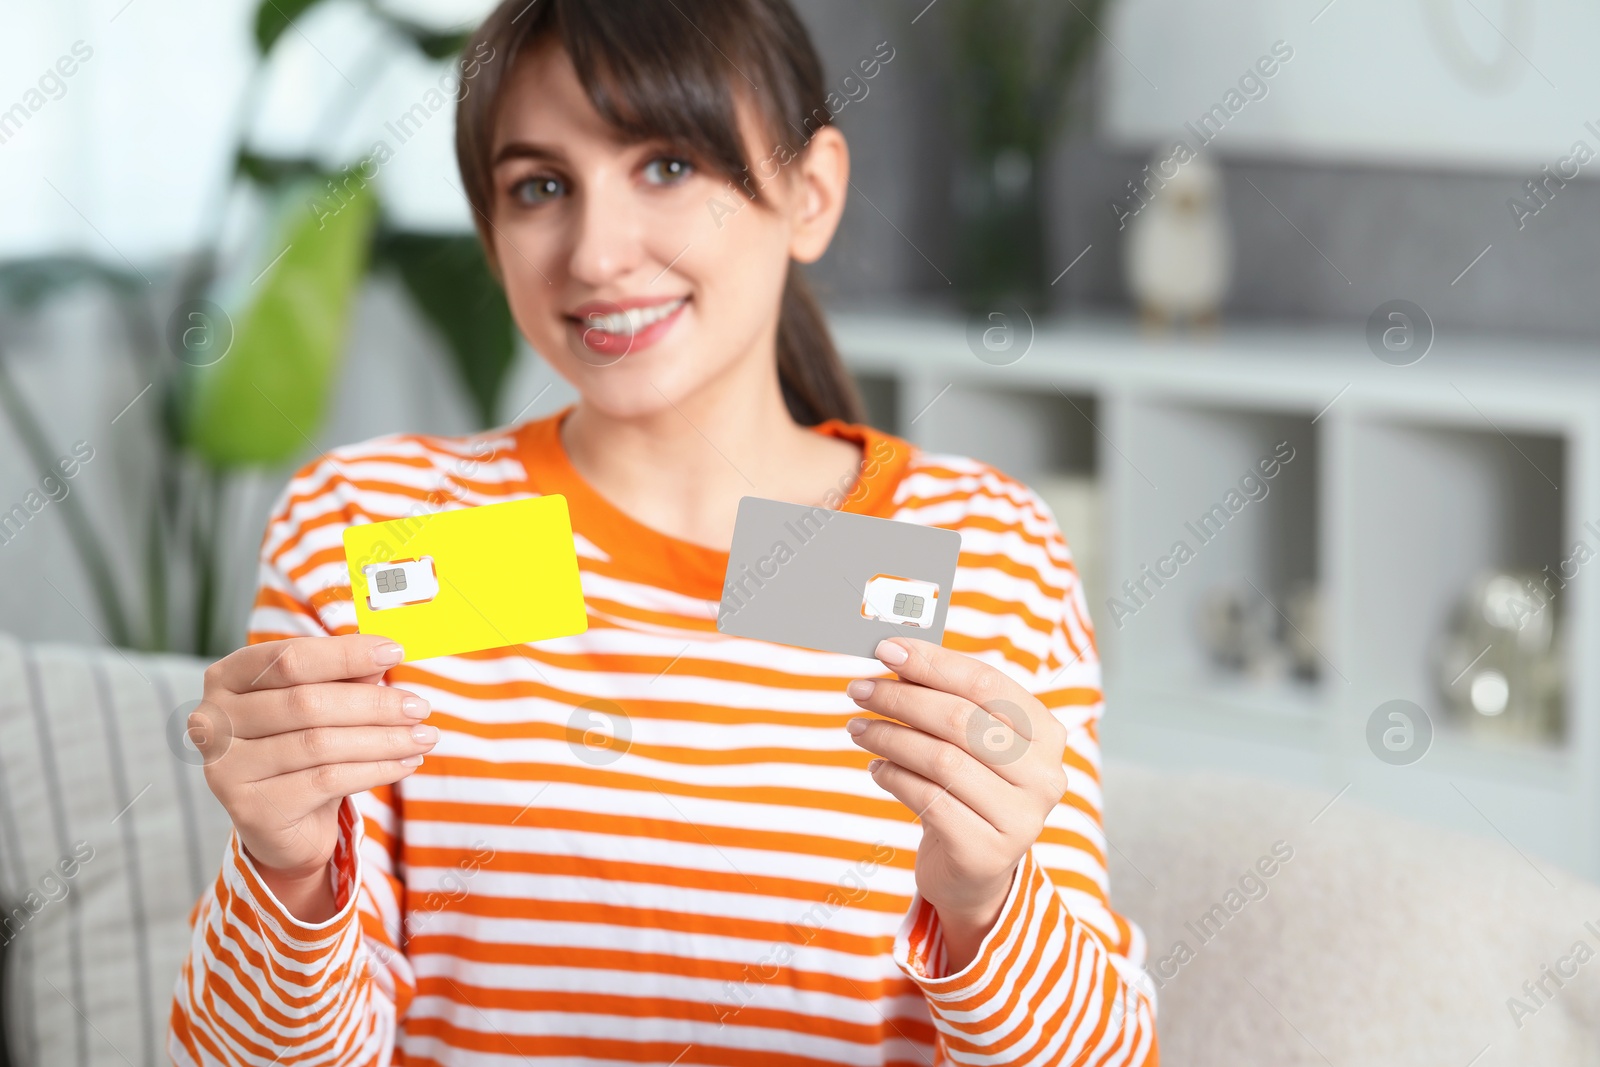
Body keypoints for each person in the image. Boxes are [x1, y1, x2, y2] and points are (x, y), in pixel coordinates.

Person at [168, 0, 1158, 1062]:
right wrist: (284, 871)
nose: (596, 253)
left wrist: (985, 899)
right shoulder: (377, 528)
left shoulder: (985, 553)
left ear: (810, 192)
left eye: (667, 166)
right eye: (539, 187)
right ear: (491, 237)